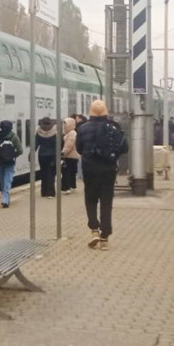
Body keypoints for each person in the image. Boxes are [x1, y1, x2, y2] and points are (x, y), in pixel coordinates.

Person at [77, 100, 127, 251]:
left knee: (91, 200)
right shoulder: (114, 127)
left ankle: (94, 231)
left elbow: (79, 148)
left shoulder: (83, 128)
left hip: (90, 169)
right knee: (106, 202)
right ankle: (105, 237)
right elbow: (124, 148)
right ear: (106, 112)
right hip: (108, 169)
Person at [0, 120, 22, 207]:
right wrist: (13, 155)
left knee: (2, 180)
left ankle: (5, 198)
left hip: (0, 161)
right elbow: (20, 150)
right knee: (8, 180)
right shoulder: (14, 136)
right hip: (10, 162)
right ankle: (5, 200)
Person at [35, 117, 58, 198]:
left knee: (43, 173)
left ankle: (44, 192)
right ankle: (50, 192)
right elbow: (57, 145)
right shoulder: (55, 132)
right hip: (52, 155)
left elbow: (36, 144)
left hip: (41, 155)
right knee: (51, 174)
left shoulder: (39, 132)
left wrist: (31, 153)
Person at [60, 117, 79, 194]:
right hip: (73, 156)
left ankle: (66, 187)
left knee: (66, 172)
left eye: (66, 124)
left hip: (69, 156)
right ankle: (72, 186)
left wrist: (63, 153)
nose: (64, 126)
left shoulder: (71, 134)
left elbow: (69, 145)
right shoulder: (71, 133)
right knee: (71, 172)